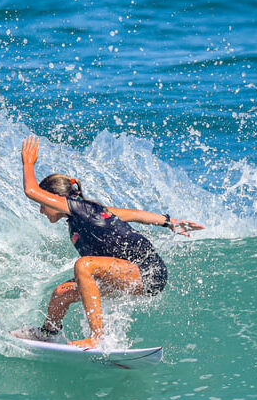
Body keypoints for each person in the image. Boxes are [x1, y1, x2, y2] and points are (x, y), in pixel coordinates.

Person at [19, 135, 203, 348]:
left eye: (44, 203)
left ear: (58, 199)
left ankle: (97, 338)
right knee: (61, 293)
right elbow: (133, 214)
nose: (41, 209)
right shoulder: (87, 212)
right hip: (122, 274)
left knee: (84, 265)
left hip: (147, 272)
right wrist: (169, 222)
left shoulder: (80, 208)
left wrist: (28, 164)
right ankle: (47, 334)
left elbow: (30, 191)